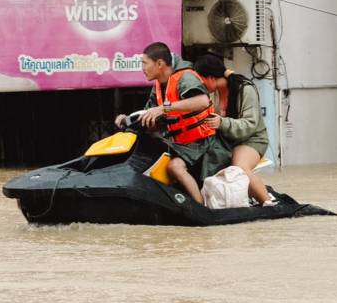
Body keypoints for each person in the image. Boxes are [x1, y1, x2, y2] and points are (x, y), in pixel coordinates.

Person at [115, 43, 231, 204]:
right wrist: (125, 119)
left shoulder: (185, 77)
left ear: (160, 64)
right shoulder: (159, 85)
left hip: (202, 142)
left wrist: (164, 108)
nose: (142, 68)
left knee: (174, 167)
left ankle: (200, 209)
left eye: (144, 63)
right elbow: (148, 113)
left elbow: (202, 100)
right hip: (179, 143)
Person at [194, 54, 273, 206]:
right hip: (226, 140)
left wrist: (222, 123)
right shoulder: (213, 94)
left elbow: (250, 124)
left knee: (240, 167)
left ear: (210, 78)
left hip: (251, 139)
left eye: (200, 80)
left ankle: (268, 203)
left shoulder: (245, 89)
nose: (199, 85)